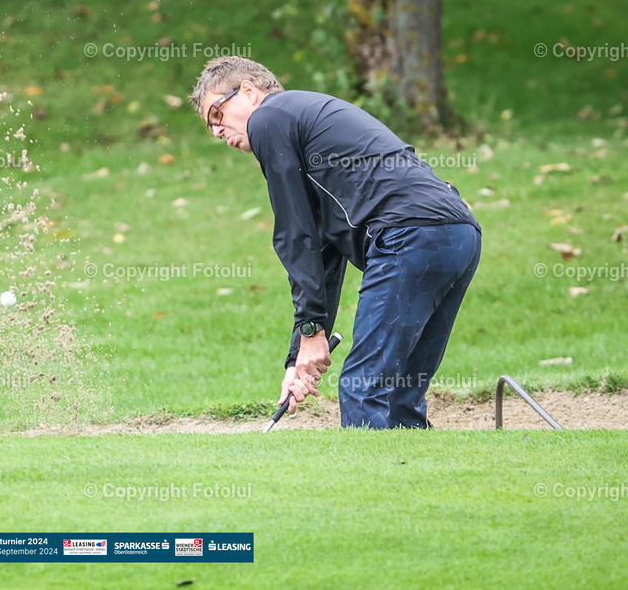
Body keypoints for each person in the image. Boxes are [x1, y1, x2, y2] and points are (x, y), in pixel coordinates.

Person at [190, 56, 481, 429]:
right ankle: (413, 479)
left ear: (249, 91)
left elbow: (295, 234)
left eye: (217, 114)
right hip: (457, 234)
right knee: (397, 394)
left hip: (410, 235)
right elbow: (323, 250)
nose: (216, 131)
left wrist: (312, 331)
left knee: (364, 389)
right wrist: (300, 355)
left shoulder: (270, 117)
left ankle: (368, 486)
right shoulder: (305, 124)